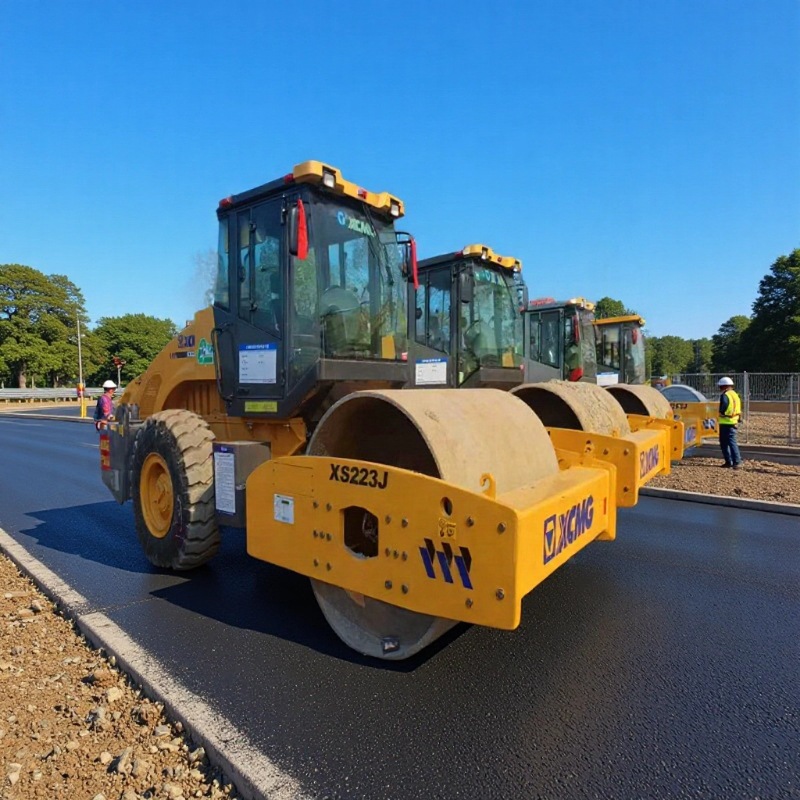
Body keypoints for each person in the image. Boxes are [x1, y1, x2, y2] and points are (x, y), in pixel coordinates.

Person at [718, 376, 743, 469]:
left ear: (724, 386)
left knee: (726, 443)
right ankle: (732, 462)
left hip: (726, 422)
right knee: (731, 442)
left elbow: (724, 404)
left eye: (720, 387)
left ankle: (734, 461)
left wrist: (721, 412)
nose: (720, 389)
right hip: (733, 421)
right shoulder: (735, 395)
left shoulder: (725, 395)